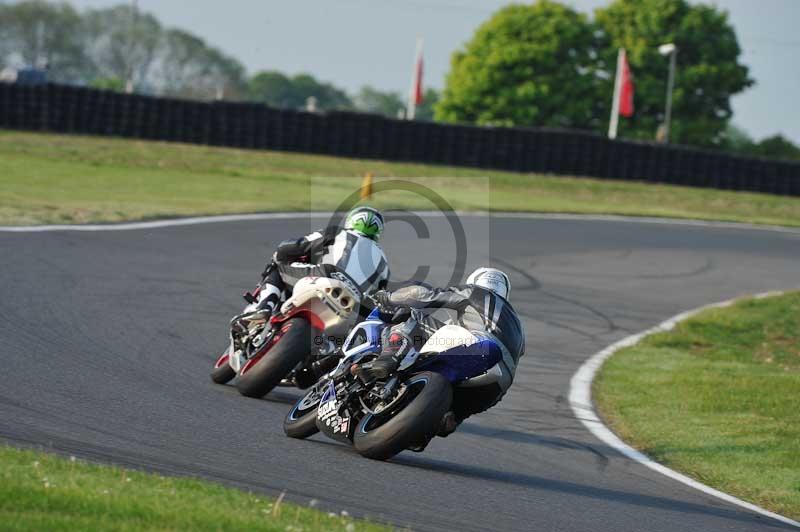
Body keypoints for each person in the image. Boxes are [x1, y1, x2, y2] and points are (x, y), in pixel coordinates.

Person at [357, 267, 525, 437]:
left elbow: (423, 295)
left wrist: (388, 298)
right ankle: (448, 419)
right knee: (450, 416)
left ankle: (388, 357)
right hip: (497, 387)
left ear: (475, 281)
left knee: (412, 316)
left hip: (482, 348)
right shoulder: (518, 325)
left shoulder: (475, 292)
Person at [250, 206, 390, 314]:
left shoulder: (338, 232)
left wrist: (281, 252)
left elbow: (300, 245)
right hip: (353, 301)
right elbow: (377, 300)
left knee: (279, 265)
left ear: (352, 220)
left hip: (325, 275)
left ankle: (264, 307)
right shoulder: (384, 263)